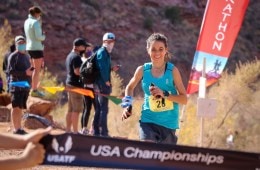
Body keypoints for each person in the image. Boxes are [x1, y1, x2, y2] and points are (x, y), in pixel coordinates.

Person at [121, 33, 187, 144]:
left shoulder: (172, 71)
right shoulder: (142, 70)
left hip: (168, 124)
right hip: (148, 120)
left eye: (161, 49)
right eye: (153, 49)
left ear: (166, 50)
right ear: (148, 50)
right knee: (147, 152)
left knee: (163, 159)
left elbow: (184, 99)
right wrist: (128, 105)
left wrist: (164, 94)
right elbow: (130, 87)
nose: (157, 53)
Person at [93, 32, 120, 137]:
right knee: (103, 108)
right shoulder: (102, 52)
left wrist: (112, 69)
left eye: (112, 42)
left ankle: (97, 131)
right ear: (104, 41)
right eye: (109, 42)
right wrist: (106, 81)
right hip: (101, 85)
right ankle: (102, 132)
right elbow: (102, 69)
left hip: (100, 83)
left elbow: (104, 68)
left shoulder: (105, 53)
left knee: (100, 108)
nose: (111, 44)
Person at [7, 35, 34, 135]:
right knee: (16, 107)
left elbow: (28, 70)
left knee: (20, 108)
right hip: (16, 86)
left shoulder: (27, 56)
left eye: (23, 43)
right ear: (16, 44)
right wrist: (24, 73)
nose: (22, 45)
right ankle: (16, 129)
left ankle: (19, 128)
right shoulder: (13, 56)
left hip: (25, 86)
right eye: (20, 43)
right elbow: (10, 71)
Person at [65, 38, 87, 133]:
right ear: (78, 47)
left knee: (70, 109)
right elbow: (77, 71)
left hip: (69, 84)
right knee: (76, 110)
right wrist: (86, 72)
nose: (84, 48)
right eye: (83, 46)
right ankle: (75, 132)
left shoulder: (69, 56)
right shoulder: (76, 57)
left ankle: (68, 130)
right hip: (76, 86)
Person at [24, 6, 46, 97]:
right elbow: (39, 37)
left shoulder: (26, 21)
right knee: (37, 71)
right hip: (36, 48)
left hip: (29, 47)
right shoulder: (35, 22)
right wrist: (43, 36)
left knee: (33, 69)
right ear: (36, 14)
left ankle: (31, 88)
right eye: (39, 14)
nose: (39, 16)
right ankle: (34, 90)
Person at [80, 43, 96, 135]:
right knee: (96, 109)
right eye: (88, 50)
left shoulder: (82, 60)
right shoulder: (90, 60)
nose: (90, 51)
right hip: (92, 88)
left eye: (91, 49)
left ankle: (84, 129)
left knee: (87, 108)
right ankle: (92, 129)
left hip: (85, 87)